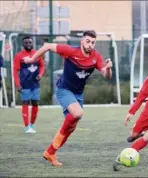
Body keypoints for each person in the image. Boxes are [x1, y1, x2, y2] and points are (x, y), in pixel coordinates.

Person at [23, 30, 113, 167]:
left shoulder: (96, 57)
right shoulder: (70, 51)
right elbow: (46, 46)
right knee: (77, 113)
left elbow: (106, 76)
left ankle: (51, 152)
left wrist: (109, 68)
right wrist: (31, 59)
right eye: (88, 41)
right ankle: (50, 151)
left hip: (78, 94)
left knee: (71, 127)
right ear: (82, 41)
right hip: (64, 90)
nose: (90, 45)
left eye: (93, 42)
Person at [13, 36, 45, 133]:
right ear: (23, 44)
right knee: (25, 103)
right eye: (26, 43)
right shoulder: (19, 56)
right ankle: (27, 126)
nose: (28, 44)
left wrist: (40, 74)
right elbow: (15, 71)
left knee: (35, 104)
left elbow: (42, 65)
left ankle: (31, 124)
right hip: (24, 85)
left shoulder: (37, 54)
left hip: (35, 84)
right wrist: (18, 84)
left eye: (30, 42)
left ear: (32, 43)